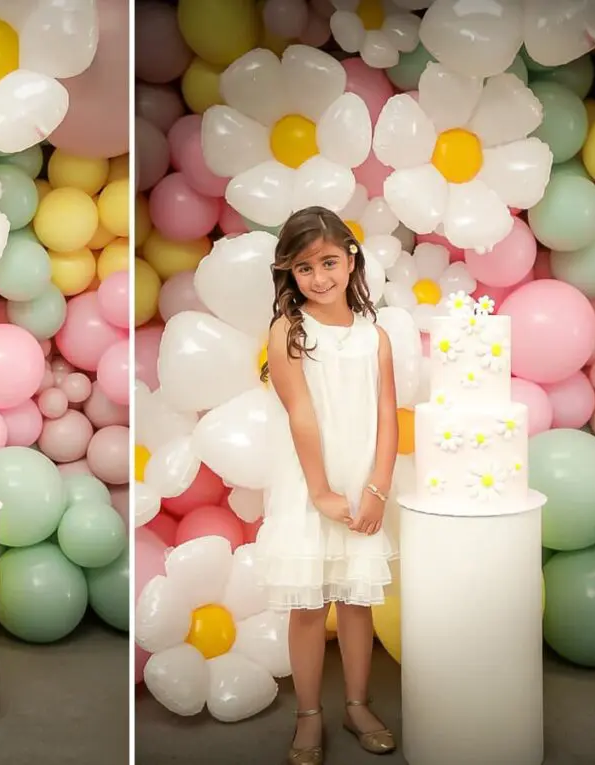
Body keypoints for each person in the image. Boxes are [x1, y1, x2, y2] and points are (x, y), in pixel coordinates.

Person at [255, 207, 399, 764]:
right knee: (310, 606)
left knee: (358, 601)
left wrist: (377, 489)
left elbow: (388, 416)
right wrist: (320, 491)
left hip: (363, 484)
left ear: (351, 257)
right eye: (305, 268)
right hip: (310, 485)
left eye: (330, 262)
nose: (319, 278)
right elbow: (301, 415)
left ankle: (358, 704)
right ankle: (309, 713)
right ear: (289, 273)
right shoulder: (289, 330)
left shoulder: (375, 337)